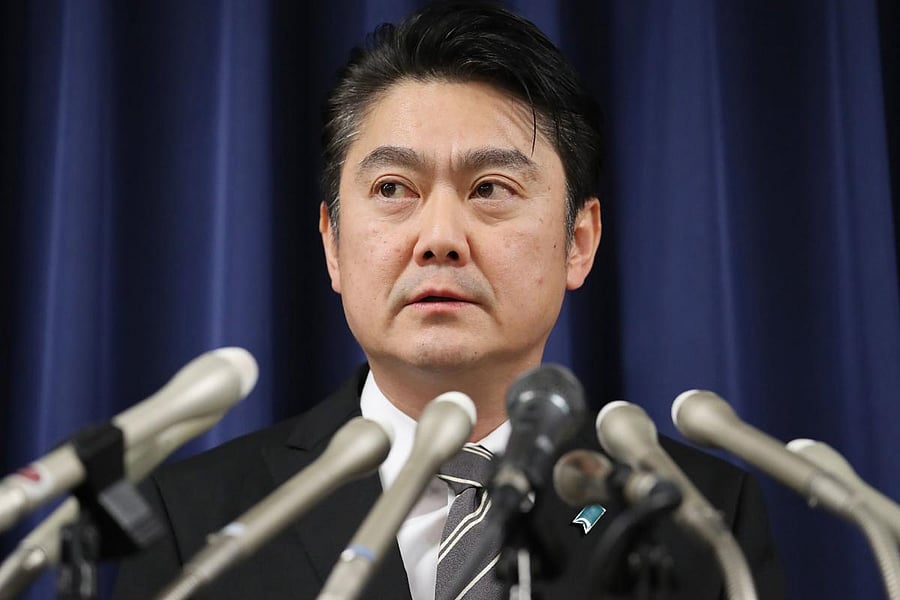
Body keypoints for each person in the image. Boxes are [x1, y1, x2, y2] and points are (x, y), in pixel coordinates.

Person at [114, 1, 784, 598]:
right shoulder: (193, 527)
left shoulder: (699, 522)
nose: (438, 239)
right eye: (393, 189)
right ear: (333, 245)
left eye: (490, 188)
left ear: (578, 241)